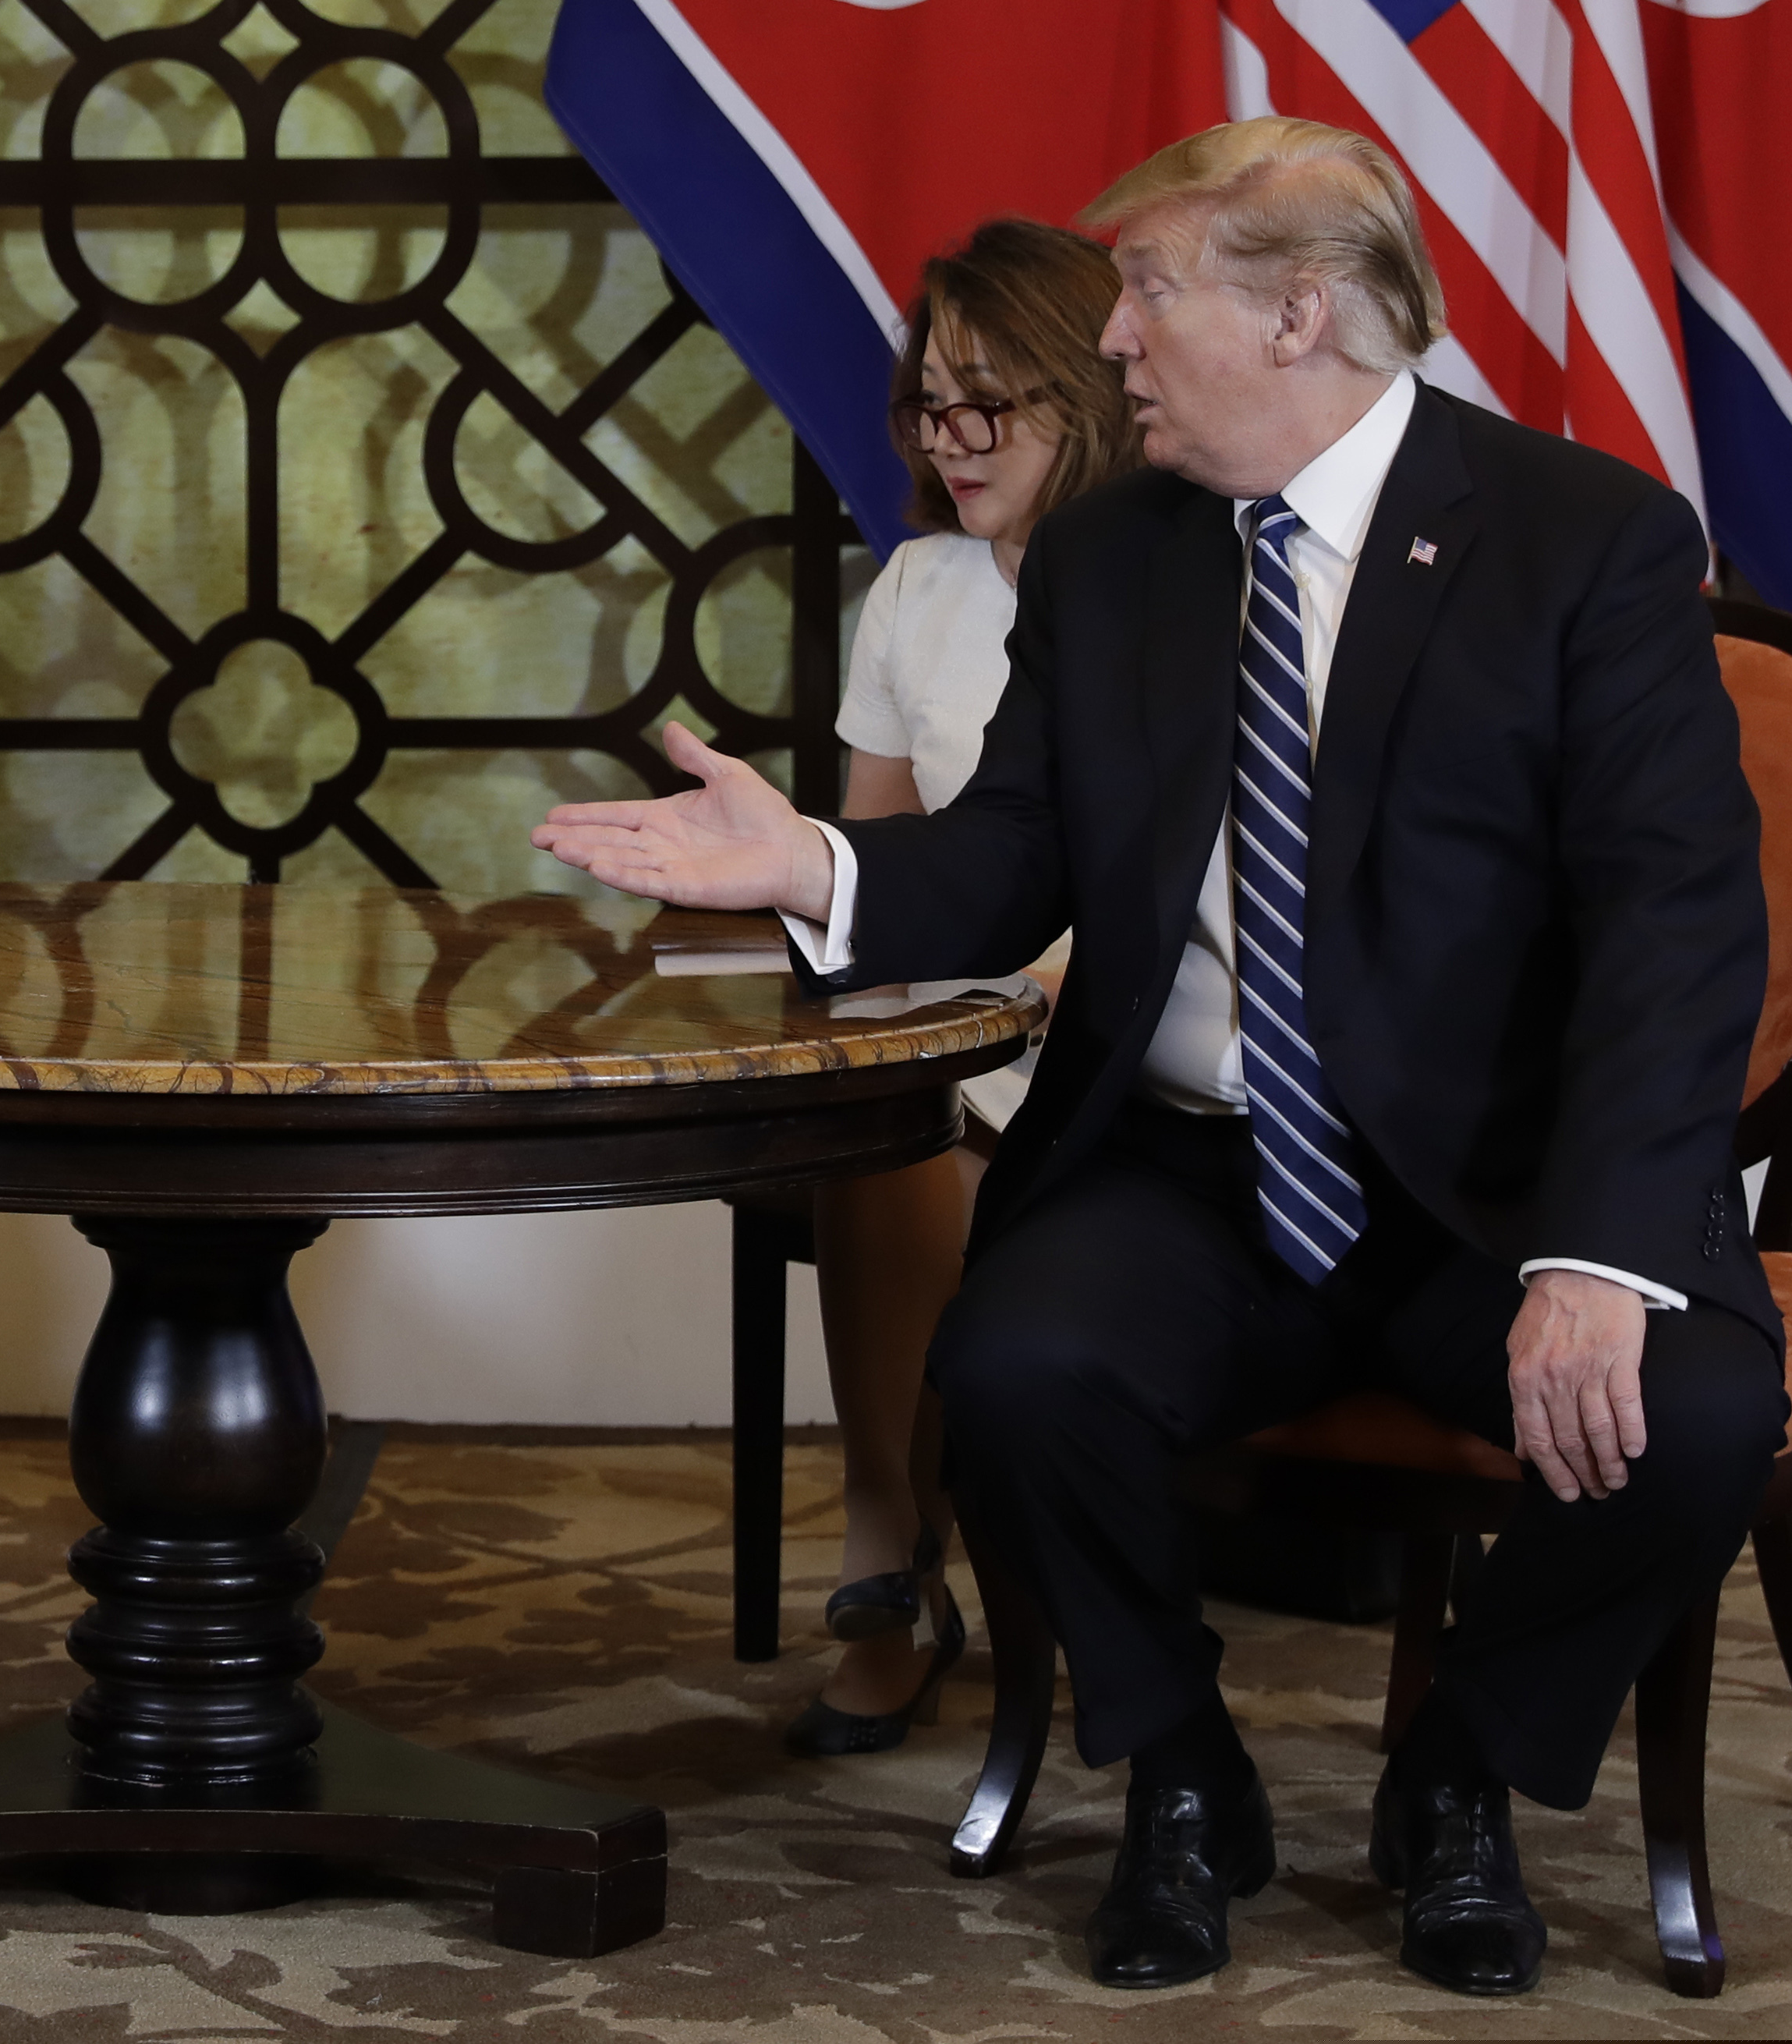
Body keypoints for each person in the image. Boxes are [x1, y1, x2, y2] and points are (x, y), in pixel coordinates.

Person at [533, 119, 1785, 1998]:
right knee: (1015, 1367)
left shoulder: (1583, 538)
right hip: (1197, 1168)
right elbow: (1014, 850)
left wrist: (1599, 1257)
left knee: (1693, 1419)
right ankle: (1186, 1774)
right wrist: (815, 866)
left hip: (1501, 1184)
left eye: (1147, 288)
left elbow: (1675, 930)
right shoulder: (1115, 553)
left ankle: (1461, 1775)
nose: (1111, 336)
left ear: (1301, 314)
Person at [791, 218, 1139, 1758]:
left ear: (1092, 390)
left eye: (991, 402)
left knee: (914, 1124)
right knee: (880, 1108)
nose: (951, 438)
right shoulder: (919, 587)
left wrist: (1054, 973)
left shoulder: (1187, 576)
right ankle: (892, 1544)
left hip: (1129, 1017)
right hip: (961, 1007)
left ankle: (909, 1561)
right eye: (932, 405)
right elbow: (882, 861)